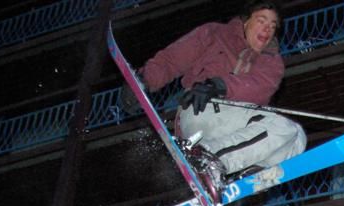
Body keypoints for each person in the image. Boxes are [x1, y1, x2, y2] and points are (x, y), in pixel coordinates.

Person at [130, 1, 306, 196]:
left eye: (273, 26)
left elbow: (259, 87)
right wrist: (144, 80)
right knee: (285, 128)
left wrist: (222, 85)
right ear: (246, 21)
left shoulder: (272, 61)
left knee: (297, 138)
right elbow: (172, 60)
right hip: (203, 109)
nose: (267, 29)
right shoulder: (215, 34)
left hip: (236, 127)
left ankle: (246, 174)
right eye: (261, 21)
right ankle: (208, 161)